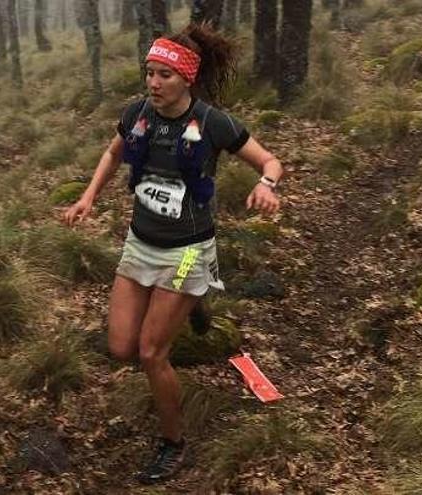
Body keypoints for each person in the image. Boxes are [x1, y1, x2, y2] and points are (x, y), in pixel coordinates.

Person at [63, 22, 283, 484]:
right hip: (140, 242)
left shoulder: (212, 122)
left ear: (186, 78)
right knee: (120, 346)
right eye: (149, 72)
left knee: (150, 354)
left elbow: (270, 160)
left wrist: (267, 185)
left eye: (164, 74)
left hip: (187, 251)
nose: (153, 83)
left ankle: (173, 443)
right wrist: (87, 197)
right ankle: (195, 301)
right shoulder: (138, 113)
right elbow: (113, 153)